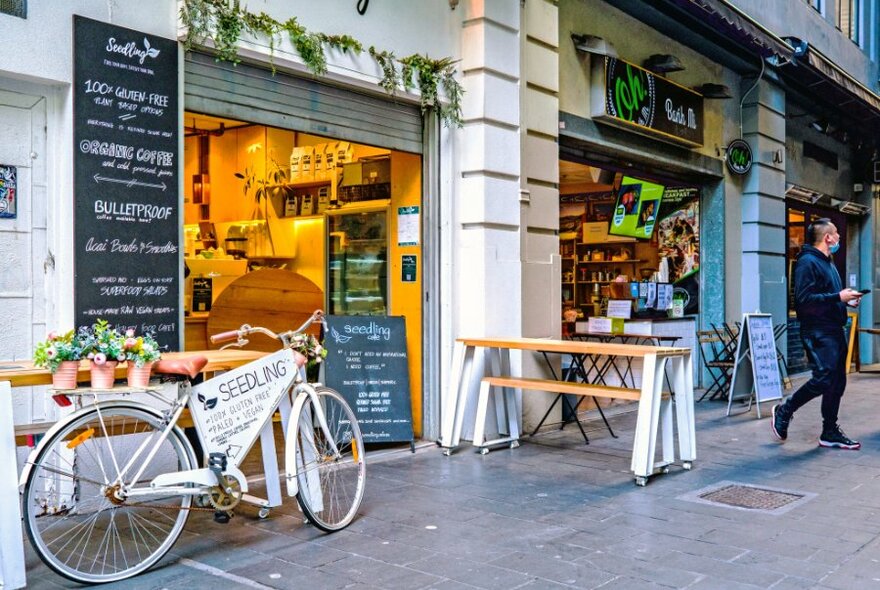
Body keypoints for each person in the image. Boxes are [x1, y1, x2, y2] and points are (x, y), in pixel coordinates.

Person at [772, 218, 864, 449]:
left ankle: (829, 431)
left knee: (837, 382)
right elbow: (804, 302)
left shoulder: (828, 263)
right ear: (827, 238)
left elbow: (826, 298)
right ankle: (785, 409)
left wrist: (845, 301)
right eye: (836, 233)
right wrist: (837, 298)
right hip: (817, 331)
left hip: (833, 329)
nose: (839, 237)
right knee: (823, 378)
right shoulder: (807, 262)